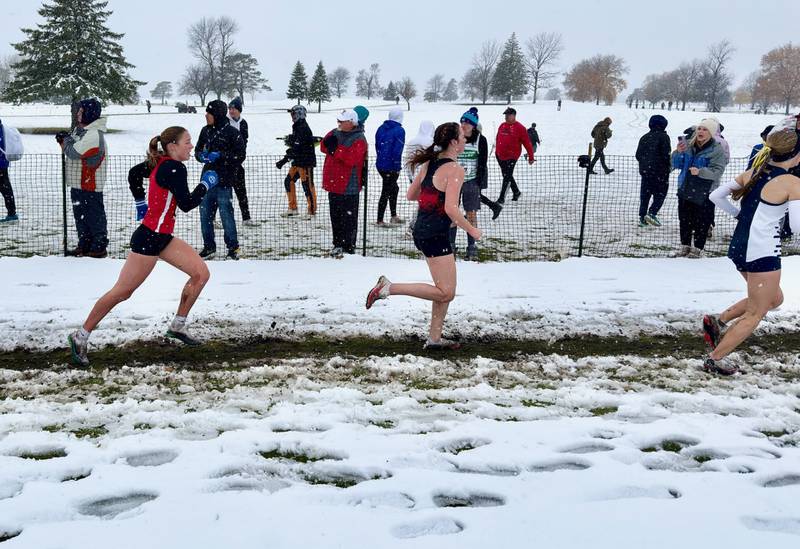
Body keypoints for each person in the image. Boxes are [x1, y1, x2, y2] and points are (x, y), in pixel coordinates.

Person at [67, 126, 218, 366]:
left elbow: (134, 174)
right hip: (148, 239)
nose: (191, 146)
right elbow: (187, 203)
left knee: (200, 274)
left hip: (163, 238)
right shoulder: (173, 167)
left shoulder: (160, 162)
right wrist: (205, 185)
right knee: (122, 292)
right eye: (187, 142)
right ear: (173, 146)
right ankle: (80, 336)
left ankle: (178, 326)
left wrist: (140, 200)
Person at [365, 122, 481, 350]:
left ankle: (434, 339)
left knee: (443, 290)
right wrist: (472, 230)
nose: (465, 139)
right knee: (446, 292)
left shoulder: (430, 163)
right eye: (462, 136)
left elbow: (411, 195)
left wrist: (432, 199)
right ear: (453, 142)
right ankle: (388, 288)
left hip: (423, 231)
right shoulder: (455, 170)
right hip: (435, 234)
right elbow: (451, 208)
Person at [703, 125, 800, 375]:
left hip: (740, 246)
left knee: (774, 299)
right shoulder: (791, 182)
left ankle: (718, 322)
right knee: (756, 313)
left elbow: (716, 196)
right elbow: (797, 226)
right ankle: (715, 359)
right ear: (795, 154)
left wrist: (739, 215)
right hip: (762, 251)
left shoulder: (755, 171)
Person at [58, 97, 108, 257]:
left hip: (90, 183)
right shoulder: (83, 131)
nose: (78, 114)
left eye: (81, 111)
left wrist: (64, 140)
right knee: (81, 217)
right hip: (78, 183)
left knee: (94, 217)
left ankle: (98, 247)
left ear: (89, 113)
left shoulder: (93, 134)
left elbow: (74, 152)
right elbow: (73, 144)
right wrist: (66, 138)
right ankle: (85, 244)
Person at [196, 99, 246, 260]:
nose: (206, 115)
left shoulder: (232, 132)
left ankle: (233, 247)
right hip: (207, 181)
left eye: (209, 113)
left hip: (224, 180)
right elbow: (197, 150)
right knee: (205, 215)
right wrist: (201, 156)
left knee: (226, 215)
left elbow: (240, 155)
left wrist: (221, 156)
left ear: (217, 114)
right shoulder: (205, 131)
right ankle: (209, 247)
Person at [671, 118, 728, 258]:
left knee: (701, 221)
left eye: (705, 129)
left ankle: (697, 249)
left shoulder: (716, 150)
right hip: (685, 186)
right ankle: (685, 247)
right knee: (684, 219)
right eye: (699, 129)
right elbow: (676, 164)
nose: (701, 131)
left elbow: (718, 171)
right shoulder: (689, 145)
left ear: (711, 133)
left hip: (705, 191)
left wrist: (700, 172)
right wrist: (678, 152)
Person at [321, 109, 368, 258]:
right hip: (333, 184)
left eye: (342, 121)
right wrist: (332, 148)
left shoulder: (359, 138)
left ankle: (348, 247)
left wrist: (335, 149)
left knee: (349, 219)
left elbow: (351, 159)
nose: (339, 123)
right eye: (338, 120)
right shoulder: (334, 132)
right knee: (335, 217)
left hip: (349, 185)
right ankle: (337, 244)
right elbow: (323, 146)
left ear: (352, 122)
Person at [454, 108, 500, 260]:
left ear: (473, 125)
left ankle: (471, 245)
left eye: (467, 123)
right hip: (454, 181)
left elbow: (482, 162)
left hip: (471, 180)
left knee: (471, 213)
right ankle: (451, 245)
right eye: (462, 122)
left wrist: (478, 183)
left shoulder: (481, 140)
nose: (463, 125)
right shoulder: (455, 137)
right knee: (452, 213)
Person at [277, 104, 317, 217]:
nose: (292, 116)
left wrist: (284, 160)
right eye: (291, 114)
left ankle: (311, 210)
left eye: (293, 114)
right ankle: (293, 208)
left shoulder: (303, 128)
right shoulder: (297, 126)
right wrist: (291, 139)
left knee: (307, 185)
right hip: (298, 161)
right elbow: (296, 145)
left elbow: (297, 147)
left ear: (299, 114)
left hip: (306, 162)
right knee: (288, 181)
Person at [635, 115, 671, 227]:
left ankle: (642, 218)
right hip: (660, 172)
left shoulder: (644, 137)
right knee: (660, 194)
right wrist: (667, 165)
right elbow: (666, 155)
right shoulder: (664, 137)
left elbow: (638, 155)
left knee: (645, 195)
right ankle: (652, 212)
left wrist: (645, 163)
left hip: (646, 172)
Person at [494, 107, 534, 204]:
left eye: (508, 115)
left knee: (507, 176)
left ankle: (501, 198)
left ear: (514, 115)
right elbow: (498, 138)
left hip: (512, 156)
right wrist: (497, 152)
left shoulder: (520, 128)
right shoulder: (502, 126)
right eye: (505, 115)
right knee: (506, 175)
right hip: (500, 155)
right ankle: (516, 192)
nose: (506, 117)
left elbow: (527, 143)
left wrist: (531, 157)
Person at [403, 120, 435, 238]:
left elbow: (407, 161)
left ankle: (416, 226)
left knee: (422, 203)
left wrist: (411, 177)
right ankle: (416, 227)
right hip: (426, 177)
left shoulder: (411, 142)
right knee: (426, 204)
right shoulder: (430, 143)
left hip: (414, 177)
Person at [375, 107, 406, 225]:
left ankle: (393, 216)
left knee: (394, 188)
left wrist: (381, 158)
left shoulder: (381, 128)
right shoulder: (400, 130)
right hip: (391, 166)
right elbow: (398, 150)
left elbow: (378, 145)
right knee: (386, 191)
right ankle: (380, 220)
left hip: (381, 164)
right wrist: (396, 166)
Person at [227, 97, 253, 225]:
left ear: (239, 110)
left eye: (234, 108)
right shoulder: (225, 121)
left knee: (241, 191)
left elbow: (244, 141)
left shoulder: (243, 123)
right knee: (223, 193)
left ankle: (246, 218)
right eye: (230, 108)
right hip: (225, 163)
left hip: (238, 163)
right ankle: (214, 219)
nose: (231, 111)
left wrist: (240, 156)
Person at [0, 118, 18, 223]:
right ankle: (12, 213)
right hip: (3, 163)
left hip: (1, 164)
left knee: (5, 189)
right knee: (6, 189)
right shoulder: (4, 130)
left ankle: (12, 213)